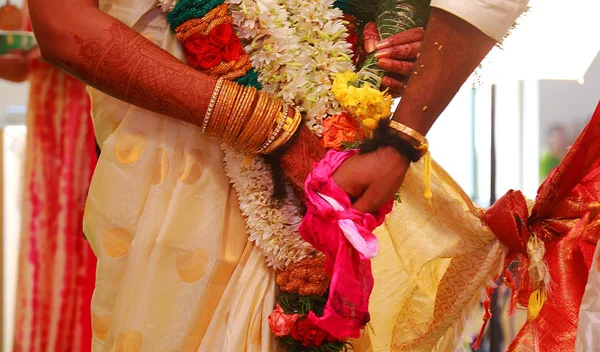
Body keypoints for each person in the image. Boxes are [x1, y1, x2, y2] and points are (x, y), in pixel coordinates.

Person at [27, 0, 526, 351]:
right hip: (172, 179)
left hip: (332, 179)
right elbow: (61, 23)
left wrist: (400, 125)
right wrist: (275, 132)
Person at [0, 4, 97, 351]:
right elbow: (16, 69)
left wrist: (54, 45)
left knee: (88, 231)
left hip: (90, 113)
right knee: (49, 234)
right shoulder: (18, 6)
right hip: (48, 122)